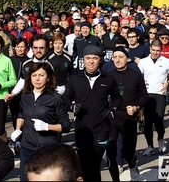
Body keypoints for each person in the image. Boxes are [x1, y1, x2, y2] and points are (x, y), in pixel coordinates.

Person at [63, 45, 122, 181]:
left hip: (101, 128)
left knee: (94, 164)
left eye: (94, 58)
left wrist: (112, 109)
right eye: (88, 58)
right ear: (83, 60)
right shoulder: (75, 79)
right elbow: (65, 99)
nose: (91, 61)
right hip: (82, 128)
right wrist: (72, 107)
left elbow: (118, 98)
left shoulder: (108, 78)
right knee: (84, 166)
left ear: (100, 60)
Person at [10, 62, 71, 181]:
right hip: (26, 146)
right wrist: (17, 130)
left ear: (48, 78)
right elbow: (22, 115)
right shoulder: (25, 95)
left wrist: (47, 126)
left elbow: (66, 126)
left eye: (41, 75)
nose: (37, 78)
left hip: (46, 148)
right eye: (34, 75)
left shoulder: (55, 98)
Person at [107, 47, 148, 182]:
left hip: (129, 118)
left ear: (127, 58)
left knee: (128, 150)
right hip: (112, 118)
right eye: (115, 57)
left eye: (121, 57)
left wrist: (136, 108)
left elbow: (144, 96)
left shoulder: (135, 75)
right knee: (111, 150)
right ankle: (116, 173)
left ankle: (132, 165)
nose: (117, 60)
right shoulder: (108, 75)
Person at [138, 40, 169, 156]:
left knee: (158, 119)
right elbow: (137, 76)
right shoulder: (143, 62)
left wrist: (168, 83)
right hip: (147, 94)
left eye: (158, 50)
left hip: (160, 94)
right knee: (147, 122)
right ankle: (149, 146)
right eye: (153, 50)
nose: (155, 53)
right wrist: (141, 82)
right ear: (150, 49)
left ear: (161, 50)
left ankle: (161, 139)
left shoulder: (167, 62)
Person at [9, 37, 30, 129]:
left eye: (22, 47)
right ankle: (16, 133)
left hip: (25, 92)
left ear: (26, 48)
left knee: (25, 114)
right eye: (18, 47)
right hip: (13, 91)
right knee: (15, 114)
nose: (20, 49)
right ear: (14, 47)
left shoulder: (29, 61)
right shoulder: (10, 60)